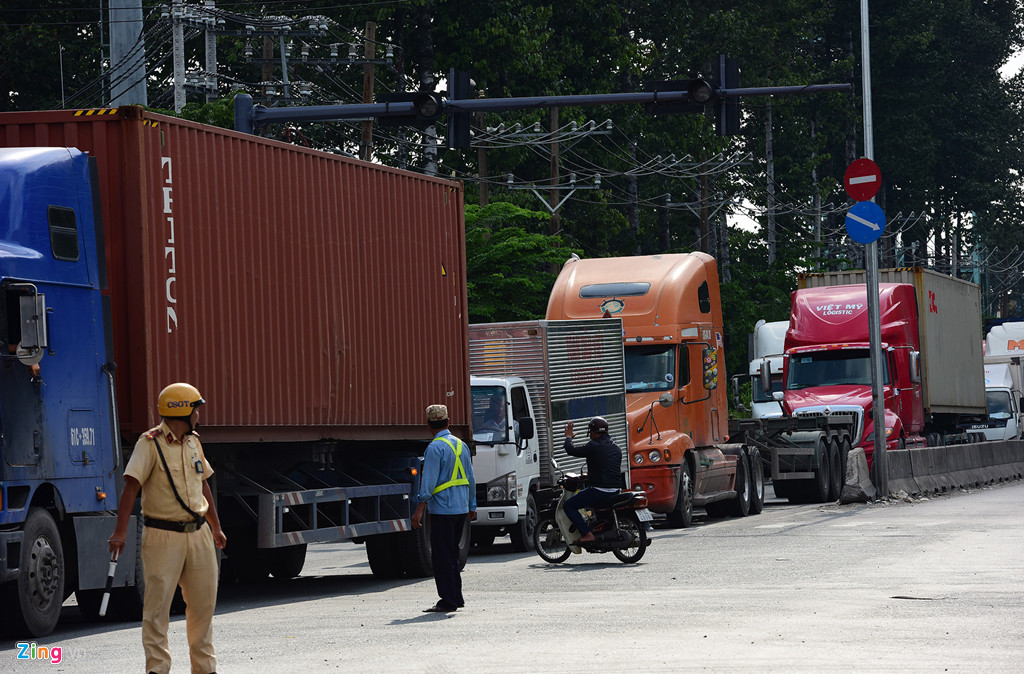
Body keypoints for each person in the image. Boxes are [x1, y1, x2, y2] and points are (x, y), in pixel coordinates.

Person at [108, 382, 227, 674]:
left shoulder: (193, 442)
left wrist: (216, 526)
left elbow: (203, 485)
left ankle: (205, 668)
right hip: (162, 536)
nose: (198, 415)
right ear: (182, 411)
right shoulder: (149, 443)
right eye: (196, 409)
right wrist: (120, 532)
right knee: (157, 609)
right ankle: (157, 668)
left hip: (199, 534)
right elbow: (131, 488)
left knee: (203, 607)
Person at [412, 404, 477, 613]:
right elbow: (470, 478)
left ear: (428, 425)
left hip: (442, 509)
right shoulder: (461, 445)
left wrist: (419, 509)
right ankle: (456, 596)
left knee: (442, 556)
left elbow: (428, 483)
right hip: (461, 508)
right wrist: (472, 505)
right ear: (448, 422)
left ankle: (448, 600)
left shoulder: (434, 448)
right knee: (453, 554)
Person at [562, 416, 623, 545]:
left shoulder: (593, 446)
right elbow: (606, 467)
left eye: (590, 432)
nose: (590, 435)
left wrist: (568, 438)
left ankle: (587, 534)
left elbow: (571, 450)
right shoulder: (616, 448)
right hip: (616, 490)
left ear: (594, 432)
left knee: (568, 506)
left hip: (599, 491)